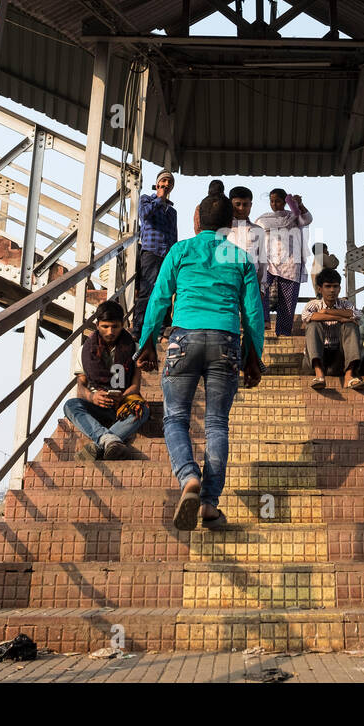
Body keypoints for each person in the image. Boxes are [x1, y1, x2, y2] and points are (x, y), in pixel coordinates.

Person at [136, 194, 264, 531]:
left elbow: (159, 297)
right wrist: (254, 357)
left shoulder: (180, 251)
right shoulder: (239, 256)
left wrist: (147, 342)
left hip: (184, 339)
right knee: (217, 424)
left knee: (176, 417)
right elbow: (253, 312)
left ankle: (188, 477)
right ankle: (208, 503)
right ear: (231, 224)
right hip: (226, 341)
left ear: (197, 221)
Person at [64, 301, 149, 462]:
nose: (110, 332)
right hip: (97, 404)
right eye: (105, 326)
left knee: (142, 410)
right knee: (70, 405)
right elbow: (81, 386)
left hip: (122, 405)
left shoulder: (135, 348)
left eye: (115, 327)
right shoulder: (85, 350)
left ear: (122, 325)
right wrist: (93, 397)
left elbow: (135, 386)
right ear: (97, 325)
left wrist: (122, 397)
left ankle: (99, 445)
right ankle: (109, 440)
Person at [256, 188, 313, 337]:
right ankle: (264, 320)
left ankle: (283, 332)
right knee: (260, 289)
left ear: (284, 202)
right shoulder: (263, 219)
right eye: (272, 201)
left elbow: (307, 219)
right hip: (268, 262)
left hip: (290, 263)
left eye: (278, 201)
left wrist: (299, 205)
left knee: (288, 300)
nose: (274, 204)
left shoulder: (294, 216)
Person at [302, 267, 364, 390]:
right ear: (320, 289)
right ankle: (319, 375)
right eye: (328, 286)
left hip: (339, 359)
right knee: (313, 324)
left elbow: (355, 314)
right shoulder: (313, 305)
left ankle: (349, 376)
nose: (332, 290)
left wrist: (325, 312)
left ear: (339, 288)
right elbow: (309, 316)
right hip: (315, 359)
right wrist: (340, 318)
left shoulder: (346, 304)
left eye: (335, 286)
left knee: (351, 325)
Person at [132, 170, 178, 338]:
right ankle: (138, 328)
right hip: (151, 252)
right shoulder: (146, 199)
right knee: (147, 290)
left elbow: (173, 234)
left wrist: (174, 255)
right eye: (164, 181)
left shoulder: (172, 211)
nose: (166, 184)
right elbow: (144, 215)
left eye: (169, 182)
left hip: (166, 255)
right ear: (157, 183)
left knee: (165, 290)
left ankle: (162, 327)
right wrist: (159, 199)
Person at [226, 185, 267, 290]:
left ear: (251, 205)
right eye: (237, 204)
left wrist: (261, 288)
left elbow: (262, 262)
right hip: (228, 282)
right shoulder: (223, 229)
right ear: (230, 204)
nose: (241, 208)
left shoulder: (258, 230)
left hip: (251, 283)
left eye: (245, 204)